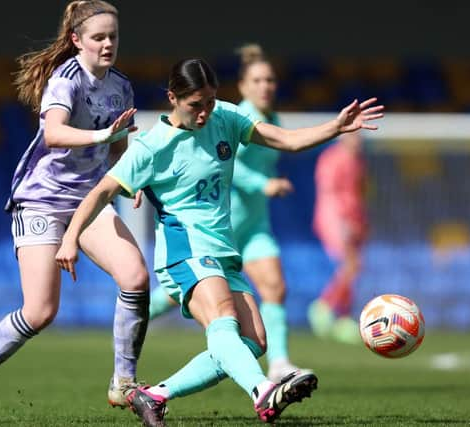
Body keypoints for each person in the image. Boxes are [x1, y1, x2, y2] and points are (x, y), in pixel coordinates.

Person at [56, 58, 383, 426]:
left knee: (254, 341)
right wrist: (70, 237)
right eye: (196, 105)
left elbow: (287, 141)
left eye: (210, 102)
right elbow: (102, 190)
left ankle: (155, 395)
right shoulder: (151, 146)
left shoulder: (225, 117)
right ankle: (263, 392)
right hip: (186, 251)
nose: (204, 113)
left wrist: (335, 128)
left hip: (223, 250)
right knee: (223, 319)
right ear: (173, 98)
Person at [0, 1, 150, 423]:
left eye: (113, 36)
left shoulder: (121, 86)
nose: (108, 43)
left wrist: (128, 177)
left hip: (88, 199)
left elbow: (119, 145)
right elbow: (54, 133)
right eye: (98, 37)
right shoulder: (65, 79)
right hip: (42, 199)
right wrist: (102, 133)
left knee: (135, 277)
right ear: (77, 40)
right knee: (40, 311)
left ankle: (124, 382)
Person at [148, 44, 303, 382]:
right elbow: (224, 167)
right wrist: (263, 184)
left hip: (255, 224)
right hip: (221, 225)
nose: (266, 86)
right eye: (258, 80)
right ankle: (137, 314)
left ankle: (278, 363)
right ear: (244, 86)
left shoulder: (274, 119)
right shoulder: (234, 116)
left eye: (271, 80)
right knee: (189, 297)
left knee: (275, 286)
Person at [308, 131, 367, 344]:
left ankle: (342, 317)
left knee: (352, 267)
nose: (358, 140)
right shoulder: (333, 158)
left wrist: (360, 219)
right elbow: (329, 191)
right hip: (336, 219)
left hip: (353, 219)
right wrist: (342, 222)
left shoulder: (357, 160)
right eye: (354, 136)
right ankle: (323, 307)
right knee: (351, 265)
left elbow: (358, 192)